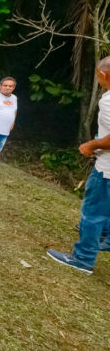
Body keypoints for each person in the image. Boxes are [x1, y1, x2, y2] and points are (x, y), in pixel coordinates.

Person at [47, 57, 110, 274]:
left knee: (93, 213)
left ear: (104, 75)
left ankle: (83, 259)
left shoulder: (108, 100)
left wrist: (92, 145)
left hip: (107, 170)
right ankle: (106, 237)